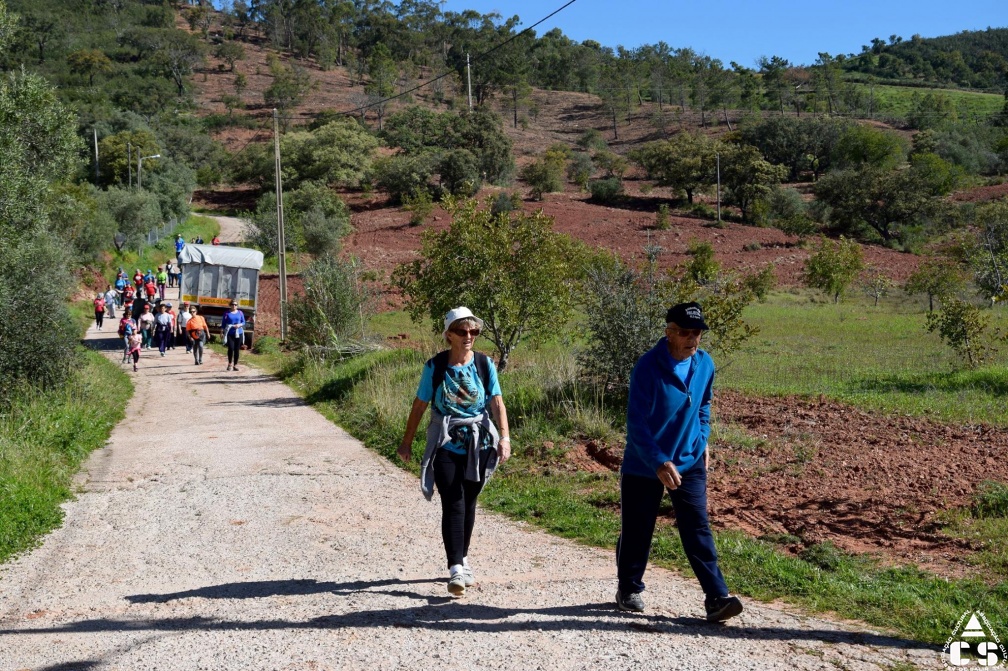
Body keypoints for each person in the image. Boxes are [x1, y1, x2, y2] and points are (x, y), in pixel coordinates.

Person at [615, 302, 743, 623]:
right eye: (684, 332)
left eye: (697, 332)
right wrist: (658, 461)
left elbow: (704, 405)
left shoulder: (705, 364)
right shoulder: (647, 367)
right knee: (638, 529)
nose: (692, 339)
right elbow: (637, 424)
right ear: (669, 332)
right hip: (645, 463)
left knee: (696, 526)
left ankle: (716, 597)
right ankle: (629, 587)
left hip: (689, 460)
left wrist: (702, 439)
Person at [397, 307, 511, 597]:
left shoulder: (484, 365)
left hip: (479, 442)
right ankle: (455, 568)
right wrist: (407, 441)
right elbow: (420, 405)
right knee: (454, 501)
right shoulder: (434, 367)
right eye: (462, 331)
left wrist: (505, 438)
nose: (469, 336)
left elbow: (497, 402)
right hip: (445, 442)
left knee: (470, 501)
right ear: (449, 335)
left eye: (474, 331)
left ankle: (464, 558)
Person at [220, 300, 245, 371]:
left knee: (237, 350)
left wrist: (239, 324)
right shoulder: (226, 313)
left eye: (236, 305)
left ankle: (235, 365)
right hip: (230, 333)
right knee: (231, 348)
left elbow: (243, 322)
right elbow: (223, 323)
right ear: (230, 305)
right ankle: (229, 364)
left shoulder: (240, 312)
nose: (234, 306)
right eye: (233, 304)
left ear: (237, 306)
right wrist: (221, 332)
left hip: (238, 333)